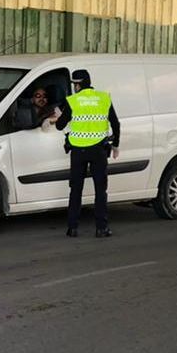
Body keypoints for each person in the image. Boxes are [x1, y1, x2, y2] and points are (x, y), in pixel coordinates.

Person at [55, 69, 120, 238]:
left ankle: (72, 228)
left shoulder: (73, 101)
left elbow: (60, 125)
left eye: (74, 84)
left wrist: (59, 117)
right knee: (100, 190)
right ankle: (101, 228)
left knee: (76, 189)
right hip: (98, 151)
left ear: (78, 84)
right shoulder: (104, 98)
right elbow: (116, 124)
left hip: (78, 151)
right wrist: (116, 145)